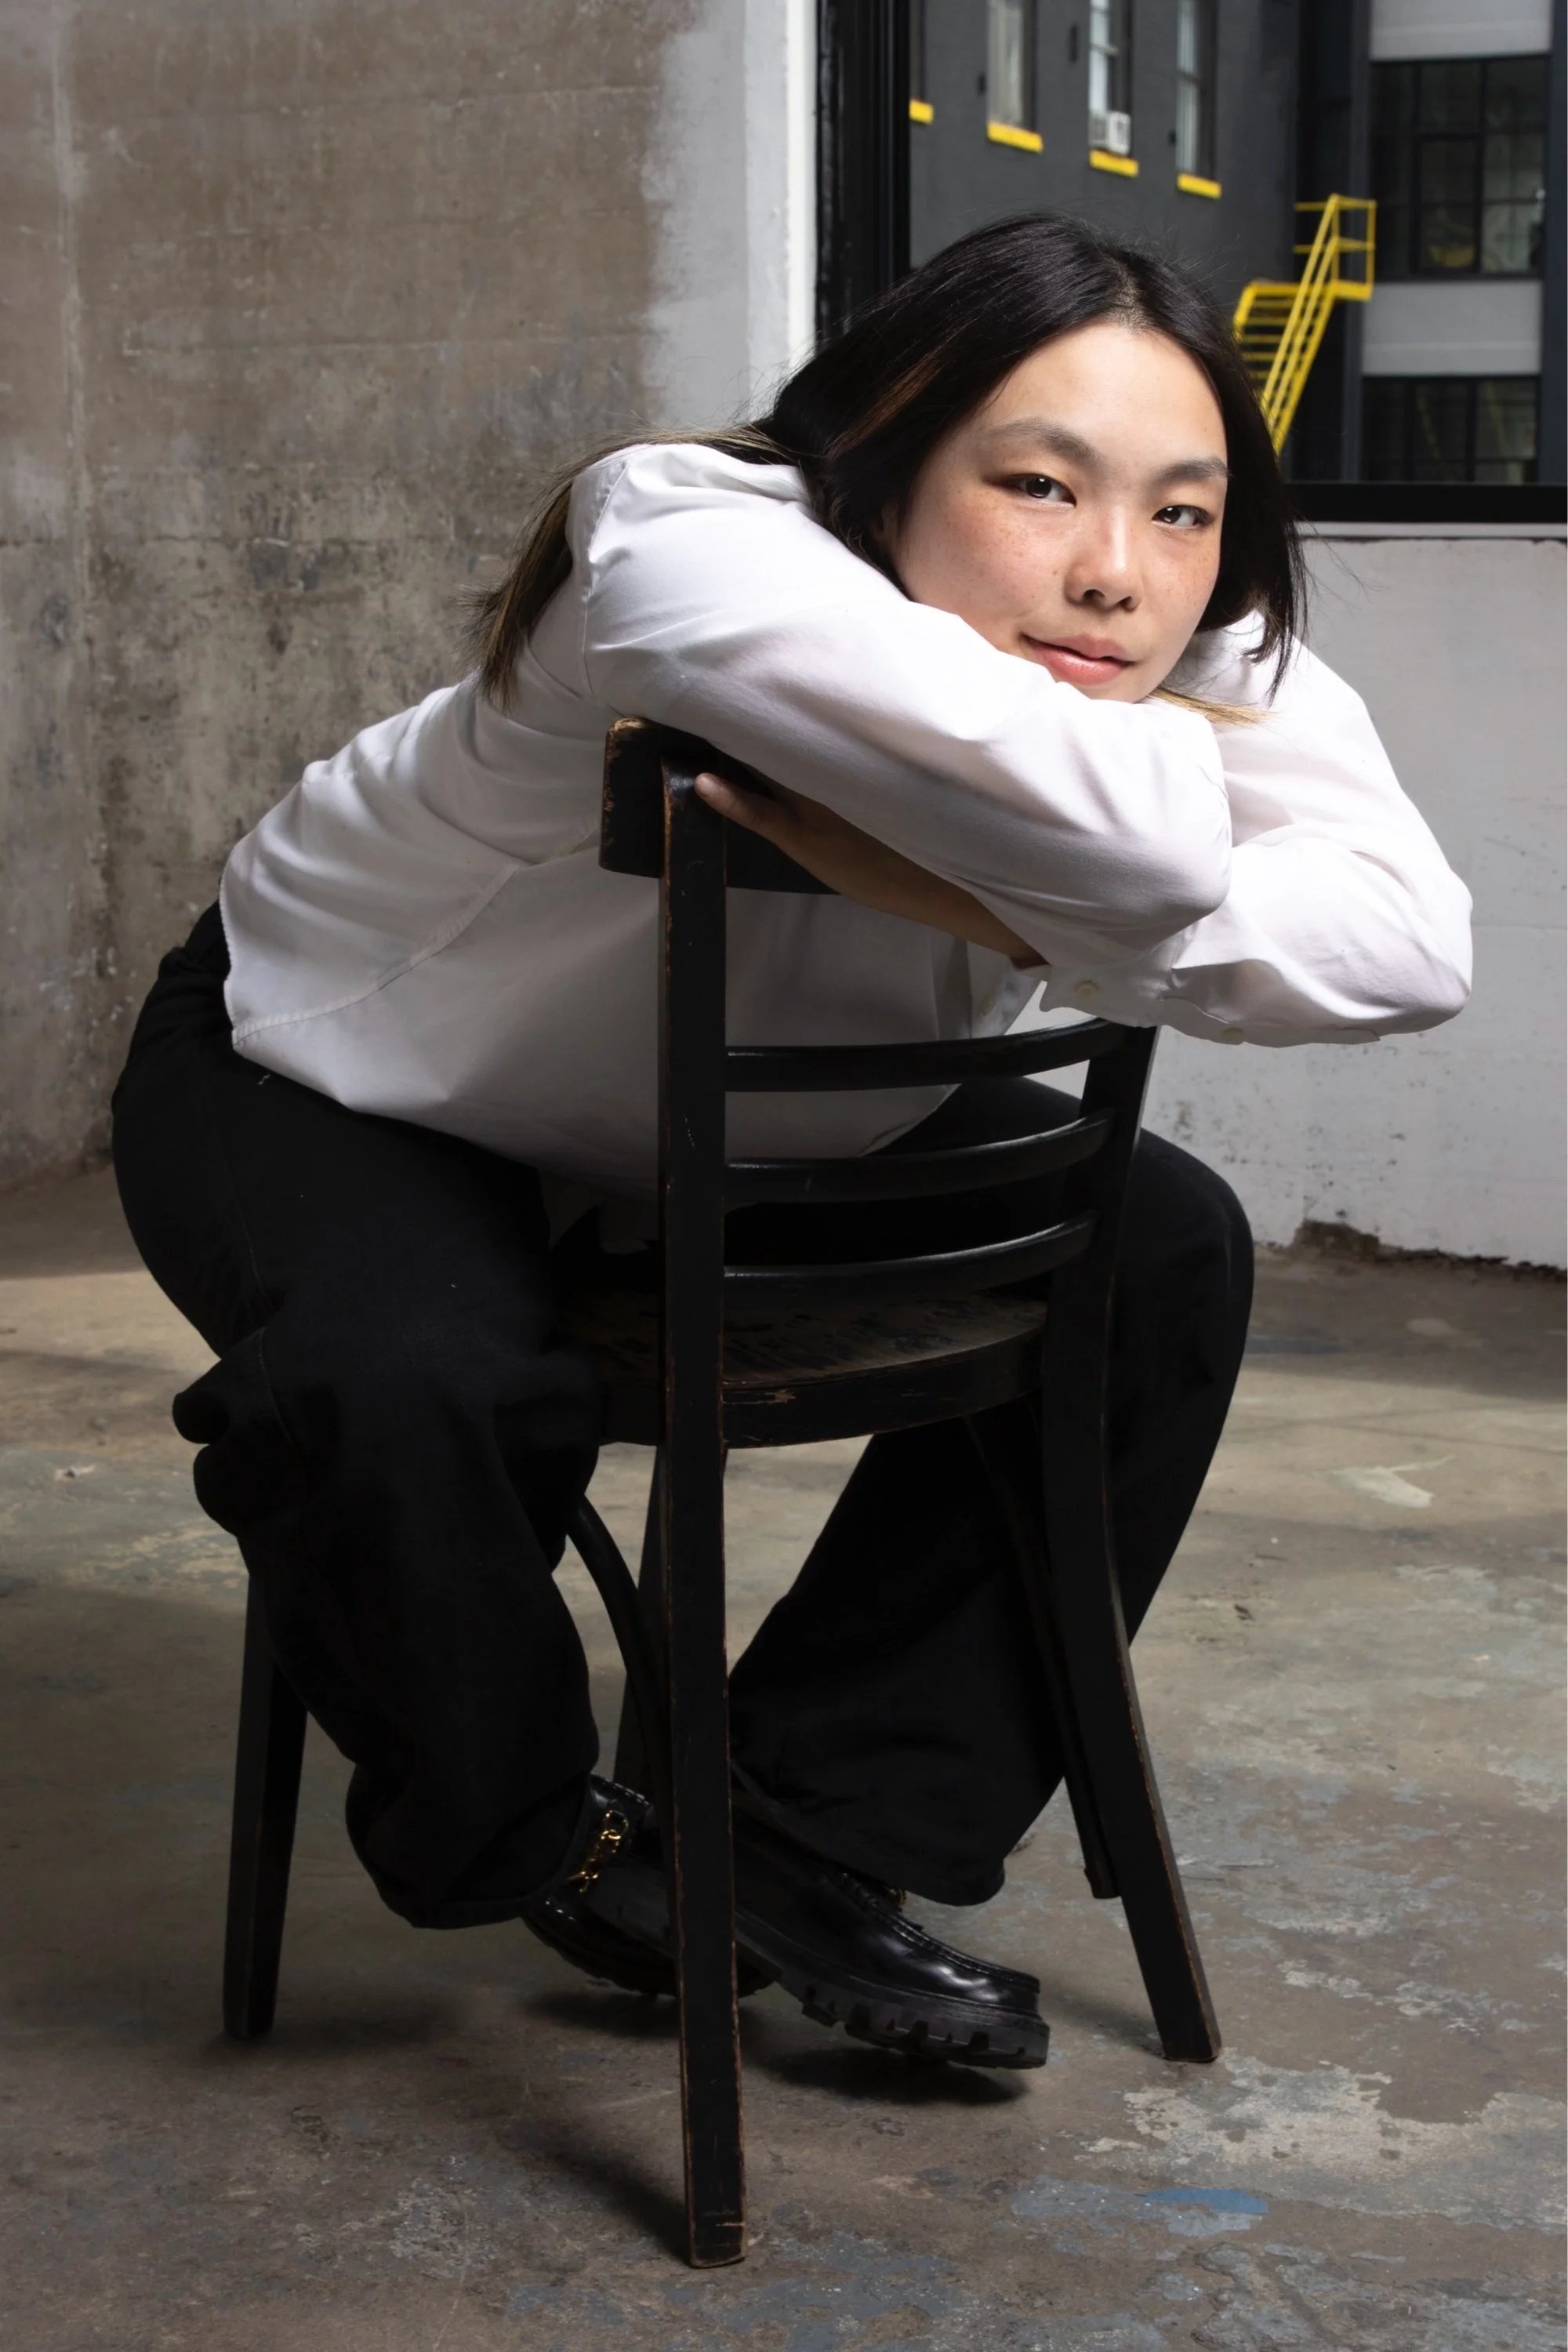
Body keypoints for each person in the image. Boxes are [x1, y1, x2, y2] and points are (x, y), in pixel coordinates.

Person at [111, 215, 1470, 2072]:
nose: (1113, 574)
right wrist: (1139, 839)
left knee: (1157, 1252)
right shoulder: (685, 532)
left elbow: (1409, 948)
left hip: (759, 1107)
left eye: (1183, 510)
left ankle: (800, 1827)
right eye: (1037, 484)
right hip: (349, 1062)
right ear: (881, 454)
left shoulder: (1184, 632)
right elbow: (1151, 852)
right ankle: (552, 1839)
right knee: (395, 1372)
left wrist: (939, 873)